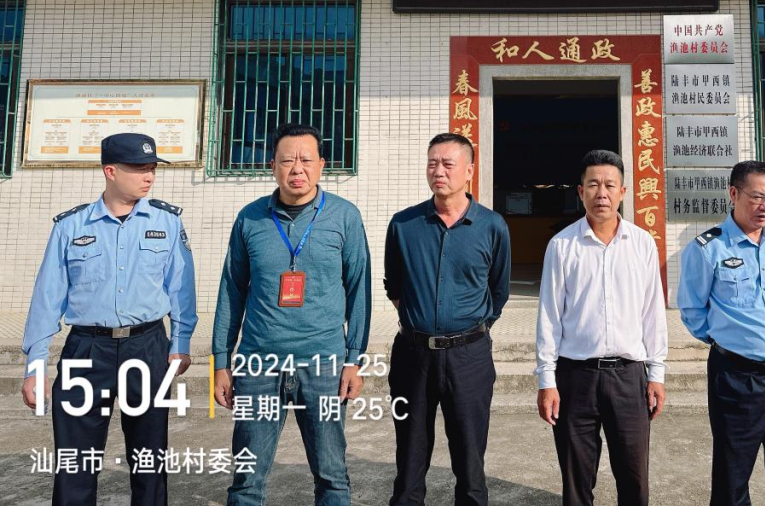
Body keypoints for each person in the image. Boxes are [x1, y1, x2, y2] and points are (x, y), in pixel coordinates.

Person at [21, 132, 197, 506]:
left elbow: (182, 289)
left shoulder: (167, 222)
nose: (149, 176)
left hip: (147, 347)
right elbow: (47, 299)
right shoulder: (71, 226)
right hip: (86, 350)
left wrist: (181, 343)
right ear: (111, 171)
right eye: (139, 168)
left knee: (149, 459)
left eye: (152, 168)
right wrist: (35, 366)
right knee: (75, 461)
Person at [212, 122, 371, 506]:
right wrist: (221, 361)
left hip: (324, 364)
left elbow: (359, 291)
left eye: (306, 160)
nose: (296, 168)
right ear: (272, 166)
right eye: (287, 161)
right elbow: (231, 289)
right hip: (258, 363)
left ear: (321, 165)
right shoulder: (250, 218)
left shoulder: (344, 217)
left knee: (332, 475)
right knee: (247, 478)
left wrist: (354, 360)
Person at [384, 132, 511, 506]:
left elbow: (499, 290)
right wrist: (420, 322)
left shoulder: (492, 226)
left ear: (469, 171)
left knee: (470, 457)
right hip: (413, 355)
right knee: (410, 454)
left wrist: (472, 328)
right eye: (432, 163)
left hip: (469, 357)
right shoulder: (404, 225)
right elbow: (394, 285)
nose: (438, 171)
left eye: (448, 164)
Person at [536, 149, 668, 506]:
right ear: (581, 192)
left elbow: (653, 314)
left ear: (623, 192)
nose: (602, 193)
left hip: (629, 377)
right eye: (593, 185)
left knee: (634, 479)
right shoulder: (562, 246)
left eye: (610, 185)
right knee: (576, 481)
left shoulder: (641, 244)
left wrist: (656, 373)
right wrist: (547, 379)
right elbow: (549, 317)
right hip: (575, 377)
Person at [678, 160, 765, 506]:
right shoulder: (708, 248)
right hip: (736, 377)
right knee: (733, 471)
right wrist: (730, 340)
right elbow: (692, 310)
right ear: (734, 194)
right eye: (756, 197)